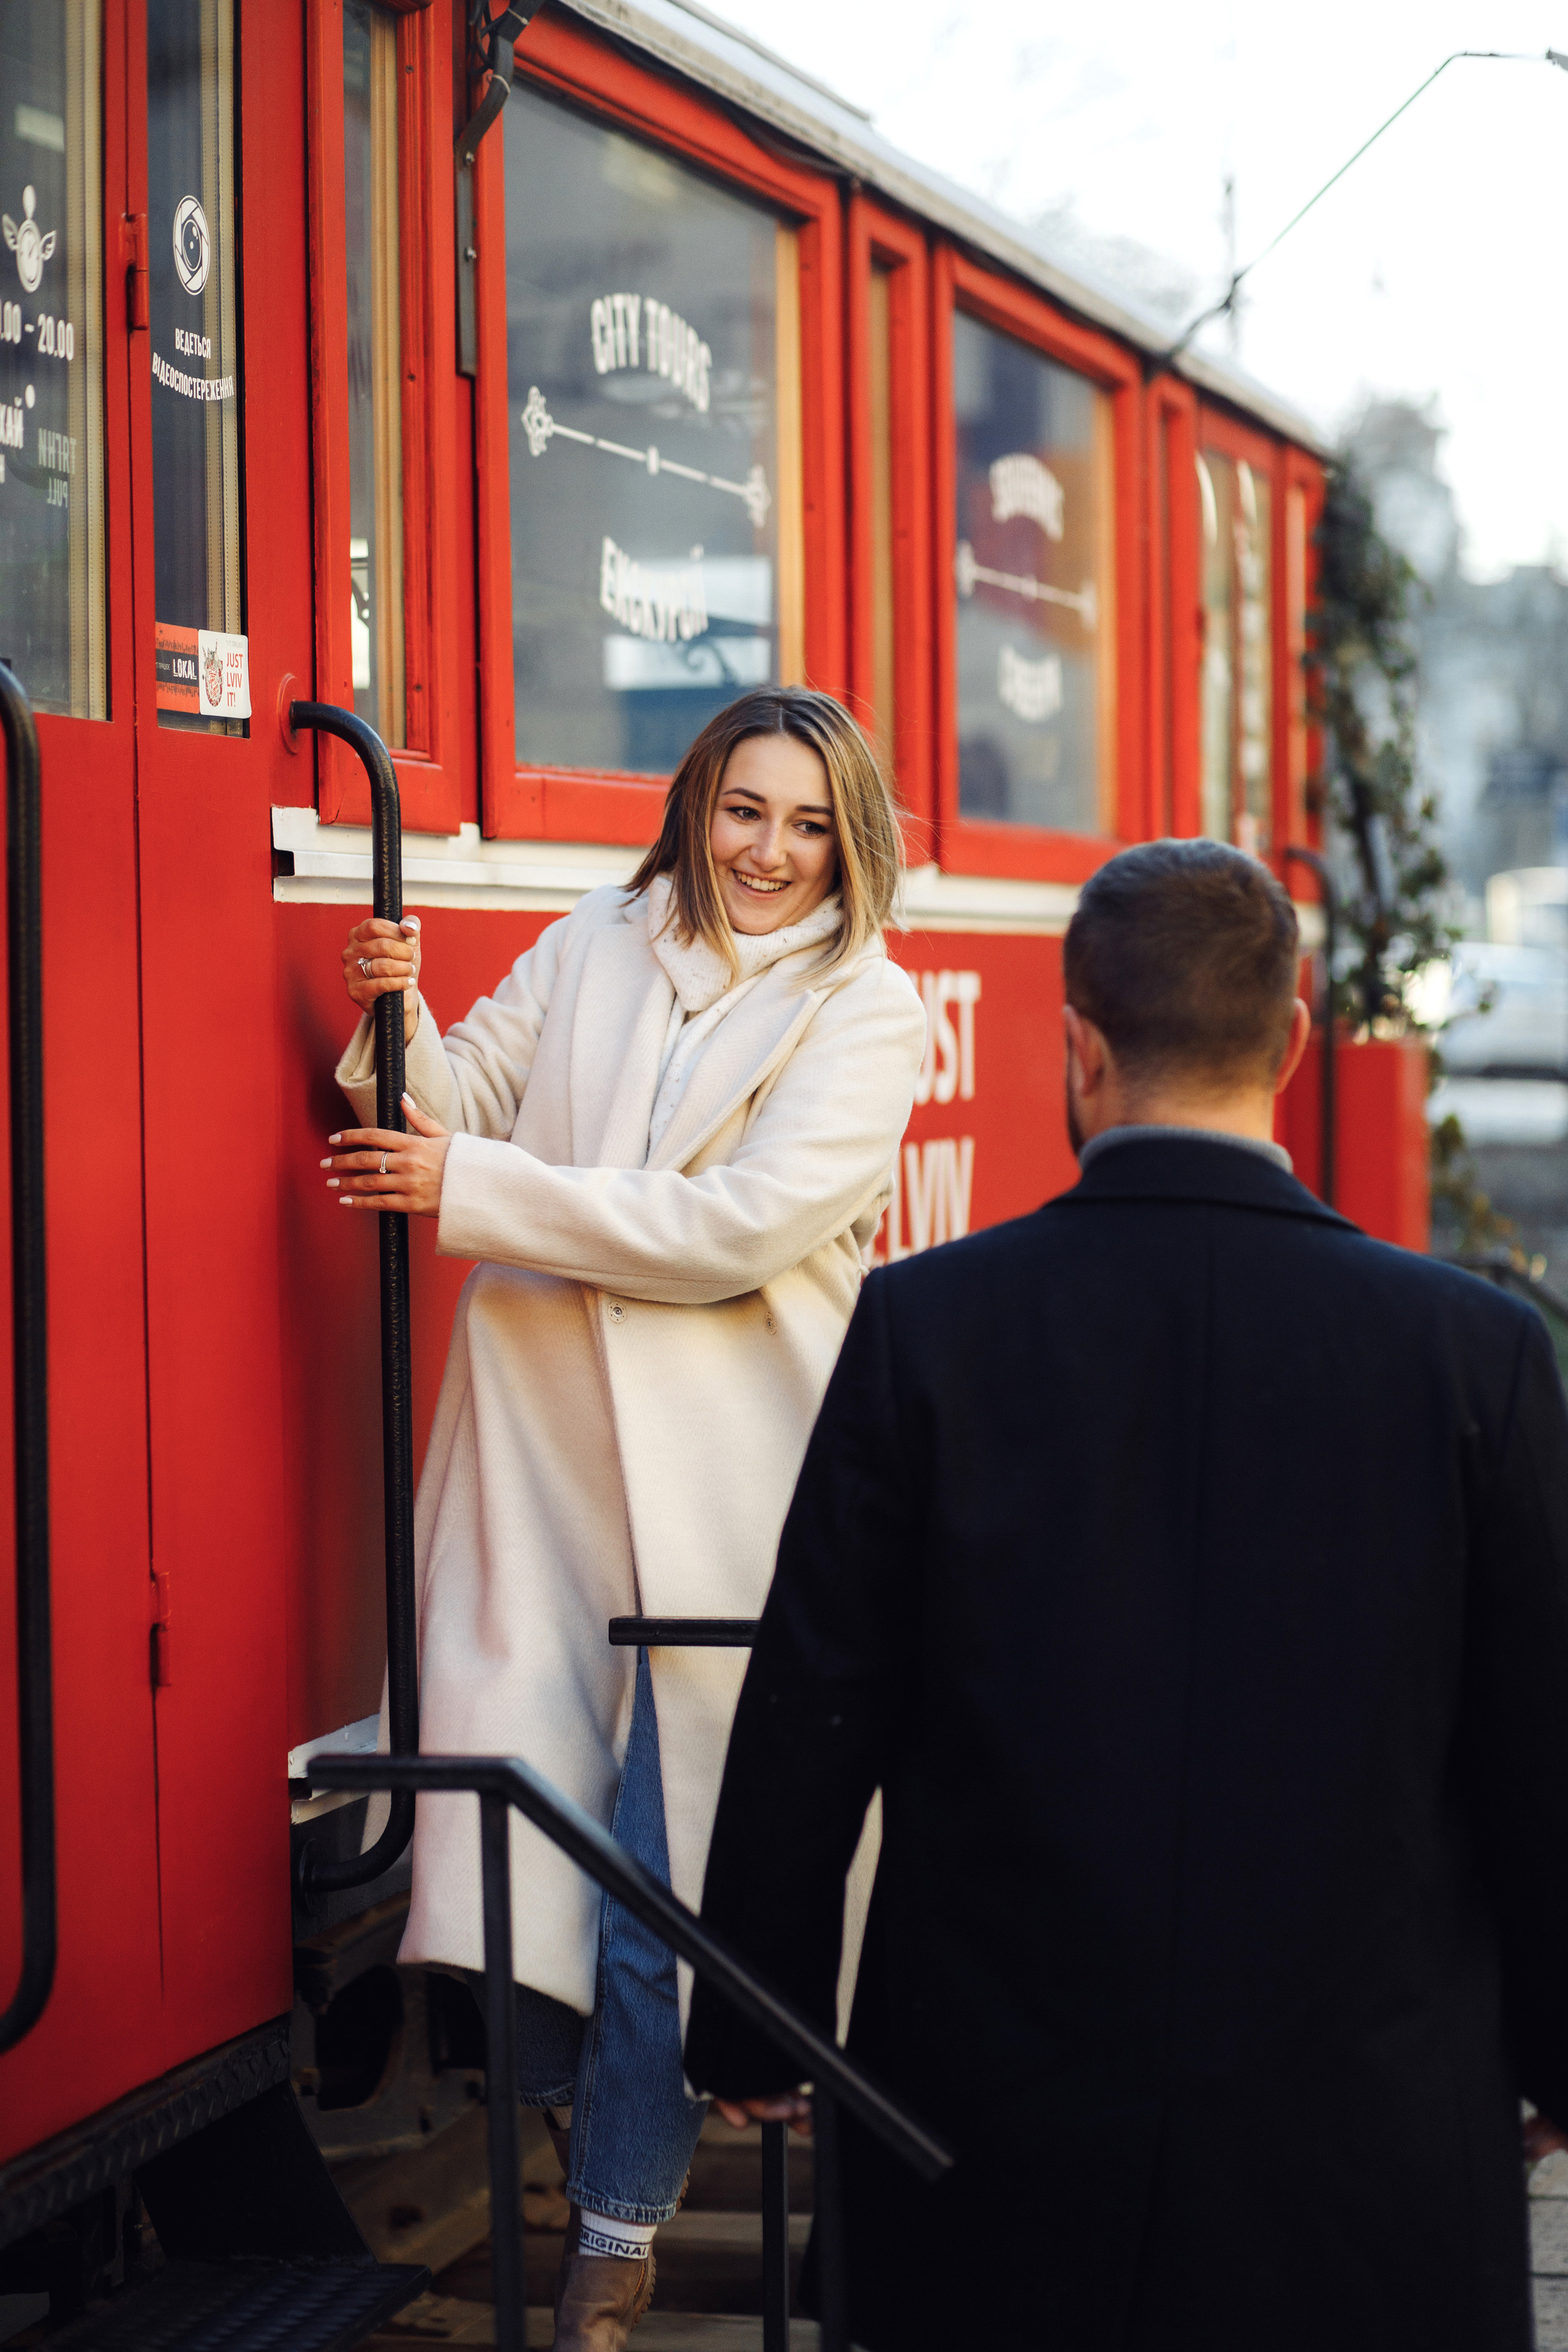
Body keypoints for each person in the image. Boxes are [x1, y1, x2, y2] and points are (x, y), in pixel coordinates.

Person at [685, 837, 1568, 2352]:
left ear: (1077, 1046)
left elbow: (818, 1691)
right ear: (1289, 1046)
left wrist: (759, 2010)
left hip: (986, 2109)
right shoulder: (1470, 1354)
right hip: (1361, 2121)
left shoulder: (924, 1327)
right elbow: (1537, 1741)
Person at [322, 687, 924, 2350]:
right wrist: (396, 1019)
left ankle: (606, 2262)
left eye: (812, 825)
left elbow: (735, 1231)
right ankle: (597, 2178)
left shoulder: (873, 1015)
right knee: (517, 1879)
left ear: (850, 842)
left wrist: (471, 1191)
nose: (774, 853)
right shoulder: (597, 940)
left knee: (665, 1891)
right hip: (551, 1478)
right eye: (748, 811)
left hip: (734, 1500)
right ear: (698, 803)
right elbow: (462, 1100)